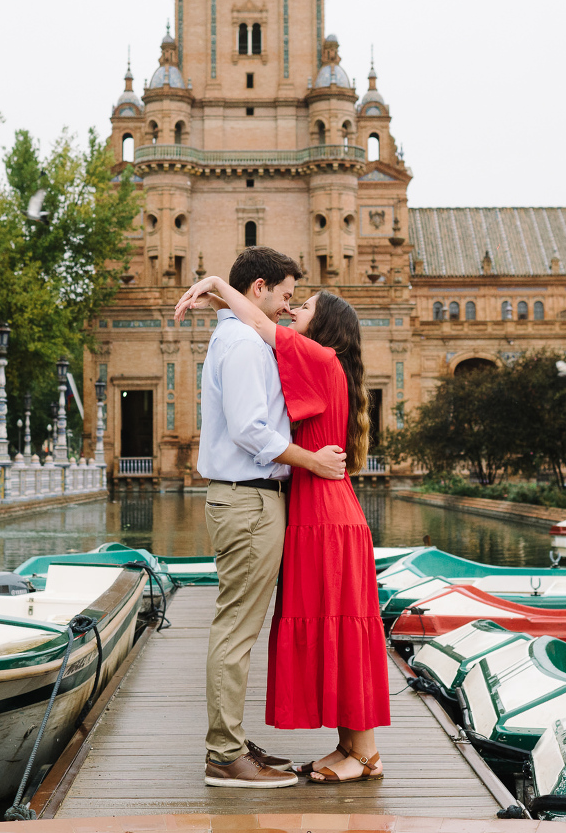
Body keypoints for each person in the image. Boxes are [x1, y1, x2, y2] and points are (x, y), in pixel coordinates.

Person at [177, 272, 391, 785]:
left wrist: (214, 286)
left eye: (306, 306)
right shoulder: (313, 363)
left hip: (325, 516)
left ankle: (364, 754)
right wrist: (221, 304)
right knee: (331, 628)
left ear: (327, 326)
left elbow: (256, 318)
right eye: (293, 299)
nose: (294, 309)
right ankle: (348, 748)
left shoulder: (321, 358)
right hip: (315, 511)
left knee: (342, 629)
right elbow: (253, 329)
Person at [193, 247, 347, 789]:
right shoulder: (240, 345)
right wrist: (313, 461)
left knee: (240, 627)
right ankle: (224, 754)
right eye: (285, 295)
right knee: (236, 629)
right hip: (249, 499)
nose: (287, 308)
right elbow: (250, 431)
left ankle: (232, 741)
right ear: (259, 287)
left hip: (253, 498)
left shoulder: (246, 338)